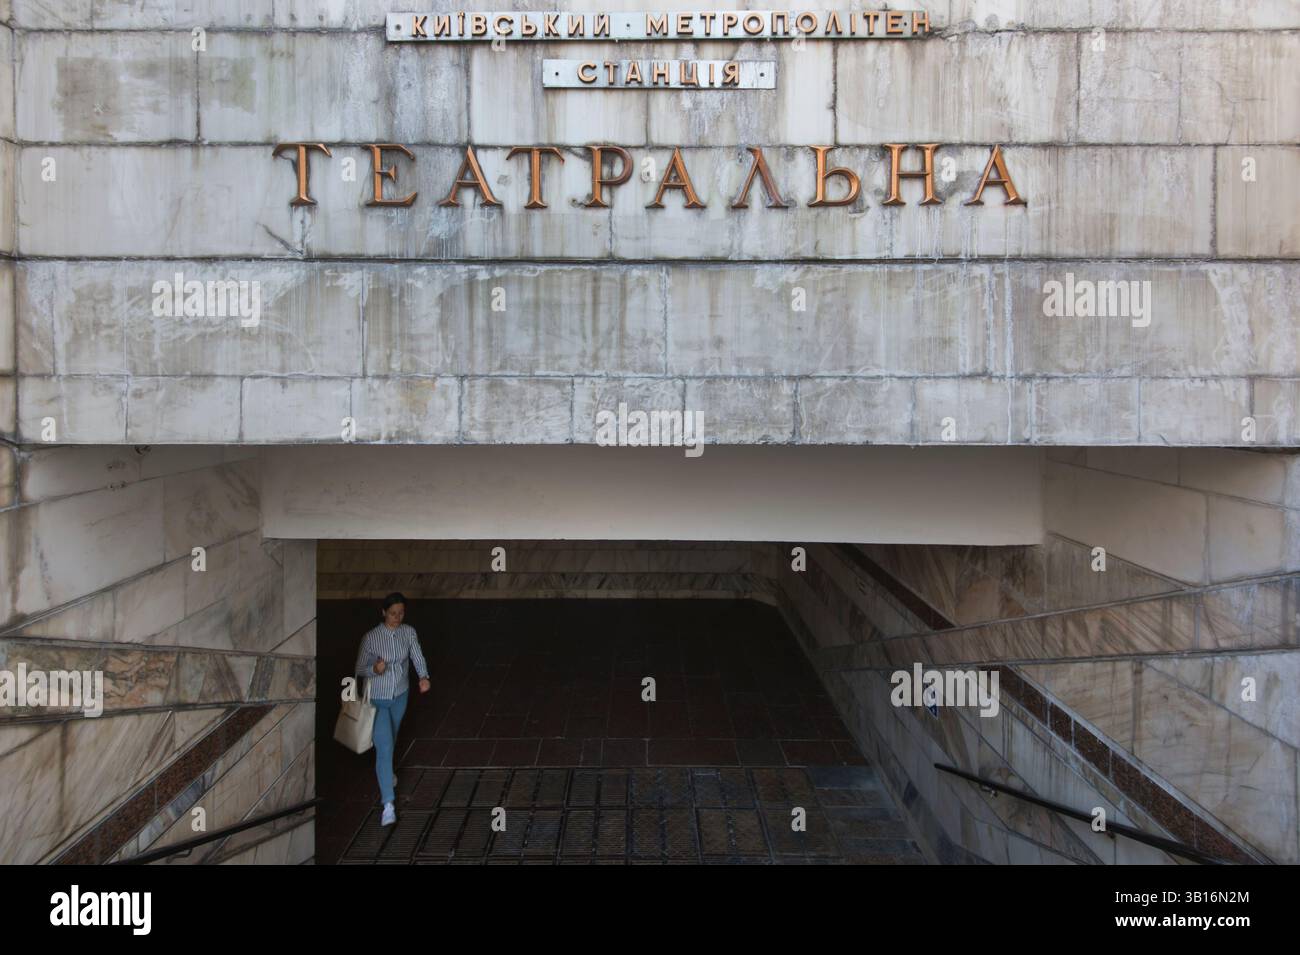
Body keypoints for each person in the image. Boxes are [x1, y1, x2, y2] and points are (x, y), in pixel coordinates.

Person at [355, 592, 429, 826]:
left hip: (400, 695)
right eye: (393, 613)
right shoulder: (371, 638)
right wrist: (374, 670)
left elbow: (417, 655)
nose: (397, 617)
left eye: (401, 613)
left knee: (392, 738)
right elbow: (359, 668)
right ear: (384, 612)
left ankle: (387, 774)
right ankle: (388, 803)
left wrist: (423, 676)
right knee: (385, 745)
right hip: (377, 698)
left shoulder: (409, 632)